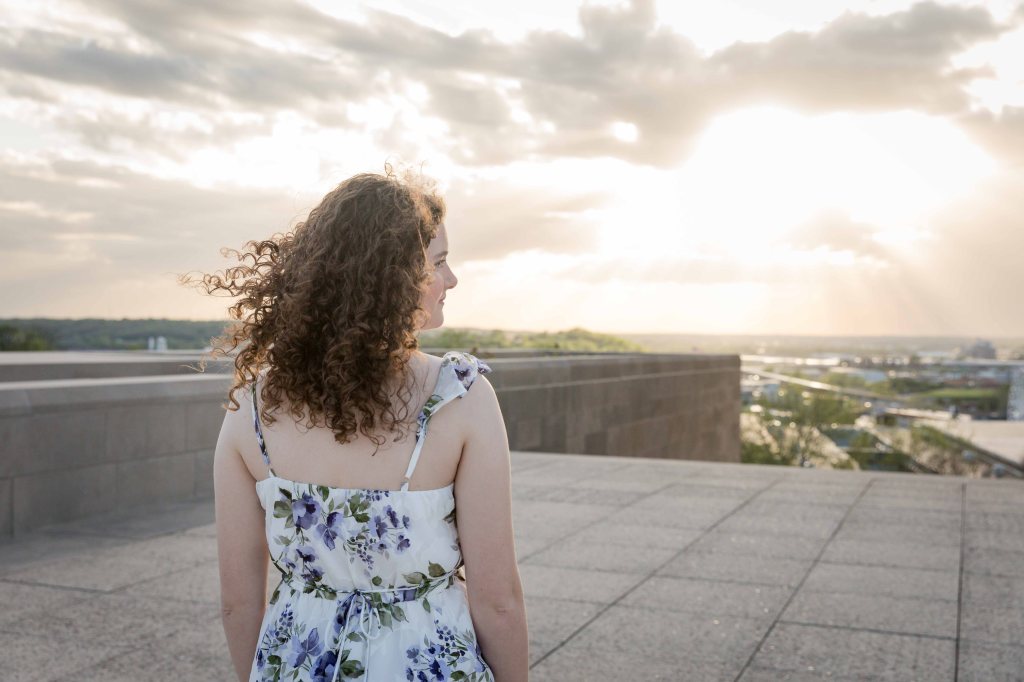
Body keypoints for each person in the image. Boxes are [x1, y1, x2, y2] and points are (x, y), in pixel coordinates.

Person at [190, 166, 529, 681]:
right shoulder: (460, 396)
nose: (451, 279)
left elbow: (238, 603)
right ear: (391, 279)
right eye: (438, 262)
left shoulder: (252, 409)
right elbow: (497, 599)